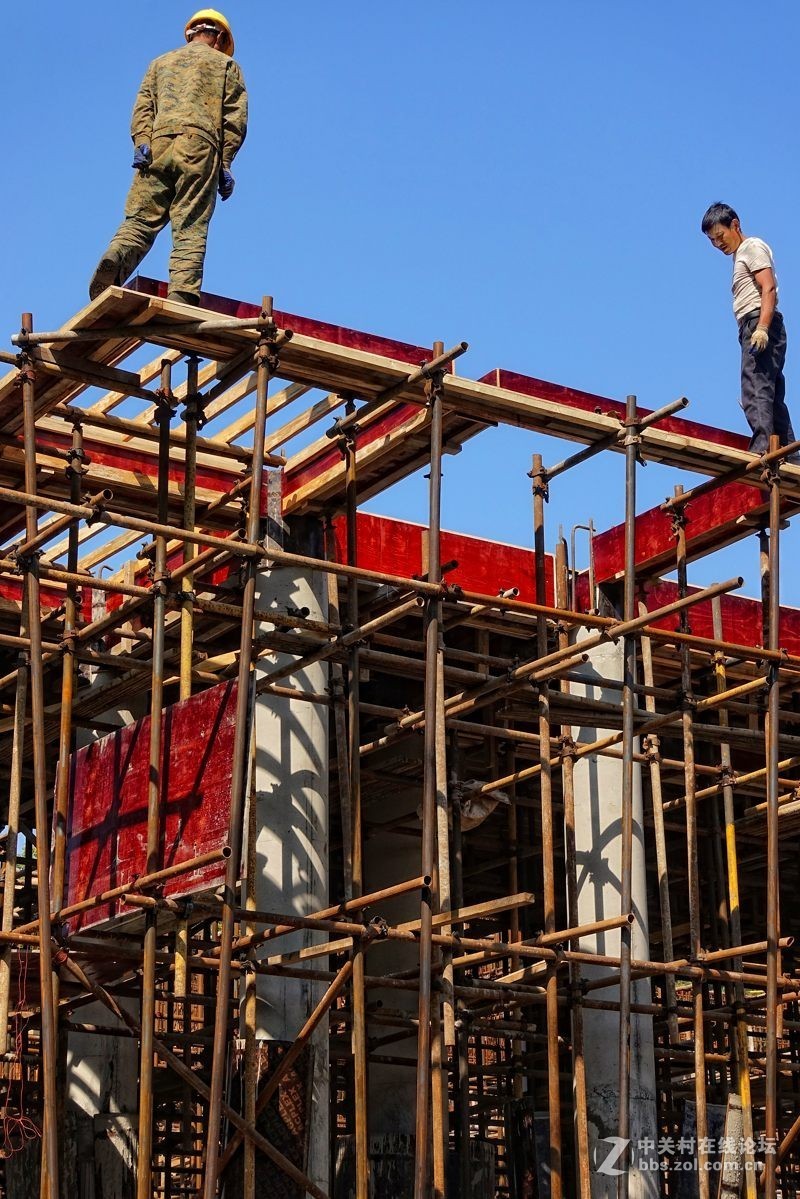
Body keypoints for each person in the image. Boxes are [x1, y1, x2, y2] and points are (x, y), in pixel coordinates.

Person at [89, 9, 248, 307]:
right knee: (190, 222)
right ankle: (182, 293)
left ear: (190, 33)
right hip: (200, 147)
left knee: (140, 219)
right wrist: (226, 163)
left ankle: (116, 256)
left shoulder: (159, 63)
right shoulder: (227, 66)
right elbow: (234, 120)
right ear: (220, 38)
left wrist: (142, 142)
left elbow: (144, 107)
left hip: (158, 144)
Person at [701, 202, 796, 456]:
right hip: (757, 325)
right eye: (712, 241)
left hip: (759, 323)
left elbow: (769, 288)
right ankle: (789, 453)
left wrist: (762, 328)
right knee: (770, 392)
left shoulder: (751, 247)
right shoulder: (741, 254)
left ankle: (763, 448)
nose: (718, 244)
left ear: (735, 225)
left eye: (720, 236)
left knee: (755, 387)